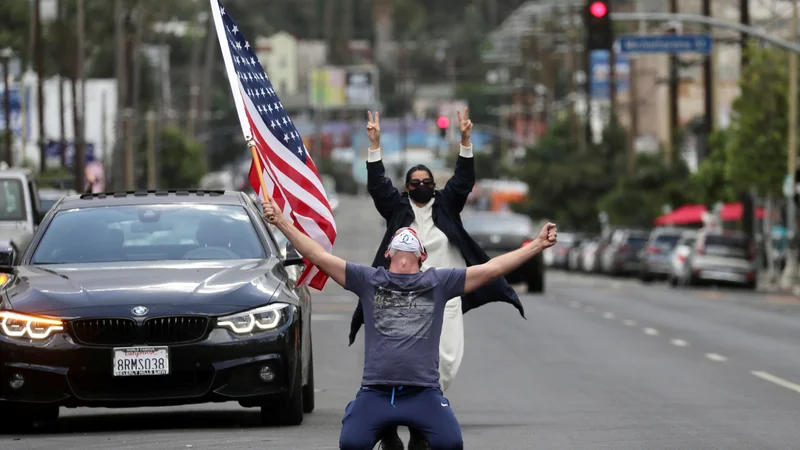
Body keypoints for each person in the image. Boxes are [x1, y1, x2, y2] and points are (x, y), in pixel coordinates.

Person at [261, 198, 557, 450]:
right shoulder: (369, 280)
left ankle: (412, 429)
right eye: (398, 239)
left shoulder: (438, 282)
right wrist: (281, 222)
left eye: (411, 239)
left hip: (423, 393)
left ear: (422, 255)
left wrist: (537, 245)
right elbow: (316, 255)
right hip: (377, 391)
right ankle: (381, 429)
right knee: (350, 444)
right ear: (388, 253)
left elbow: (492, 269)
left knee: (451, 444)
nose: (405, 237)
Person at [354, 109, 527, 448]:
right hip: (399, 297)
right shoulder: (397, 208)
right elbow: (377, 186)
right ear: (407, 187)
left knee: (446, 361)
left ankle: (422, 418)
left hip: (442, 295)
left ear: (435, 185)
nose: (421, 187)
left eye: (427, 182)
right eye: (415, 183)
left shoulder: (446, 205)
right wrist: (374, 145)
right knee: (392, 362)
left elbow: (463, 180)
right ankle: (388, 425)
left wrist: (465, 141)